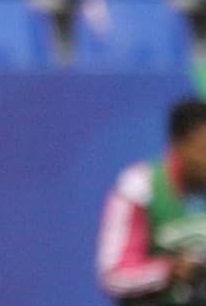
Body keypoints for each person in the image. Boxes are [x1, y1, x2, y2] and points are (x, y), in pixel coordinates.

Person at [97, 98, 206, 305]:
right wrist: (170, 270)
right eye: (203, 148)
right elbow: (114, 276)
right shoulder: (140, 188)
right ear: (179, 146)